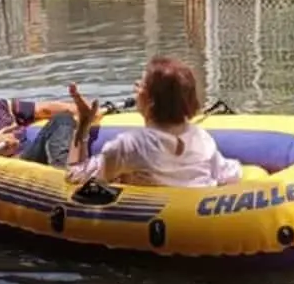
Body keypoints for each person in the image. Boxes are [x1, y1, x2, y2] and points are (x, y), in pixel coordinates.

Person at [65, 56, 243, 187]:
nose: (135, 86)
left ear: (150, 101)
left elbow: (75, 176)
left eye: (141, 85)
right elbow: (230, 174)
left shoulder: (129, 145)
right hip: (195, 224)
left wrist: (83, 125)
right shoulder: (201, 138)